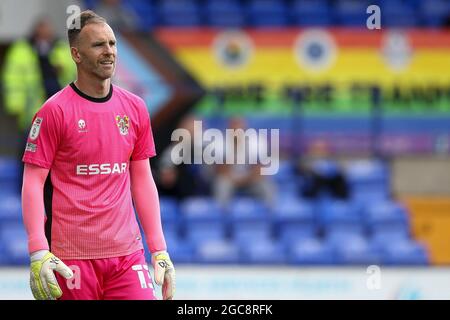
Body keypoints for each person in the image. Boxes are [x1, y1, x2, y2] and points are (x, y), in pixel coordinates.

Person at [21, 10, 175, 300]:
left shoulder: (136, 108)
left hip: (127, 256)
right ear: (76, 55)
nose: (109, 52)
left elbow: (142, 179)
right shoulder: (54, 111)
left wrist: (158, 248)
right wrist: (38, 249)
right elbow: (32, 183)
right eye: (99, 45)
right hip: (71, 259)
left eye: (112, 44)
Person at [2, 17, 75, 191]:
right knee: (29, 147)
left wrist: (61, 67)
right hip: (34, 109)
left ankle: (54, 186)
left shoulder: (60, 48)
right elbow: (12, 78)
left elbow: (73, 68)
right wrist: (15, 105)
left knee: (60, 149)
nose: (45, 33)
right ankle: (24, 187)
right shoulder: (22, 49)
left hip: (59, 108)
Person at [213, 117, 275, 207]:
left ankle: (270, 217)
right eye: (233, 127)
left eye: (239, 127)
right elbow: (221, 172)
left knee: (268, 187)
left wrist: (244, 180)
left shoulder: (256, 142)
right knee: (221, 185)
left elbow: (259, 172)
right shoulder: (220, 143)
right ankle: (222, 216)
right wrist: (234, 147)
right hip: (229, 181)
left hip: (250, 180)